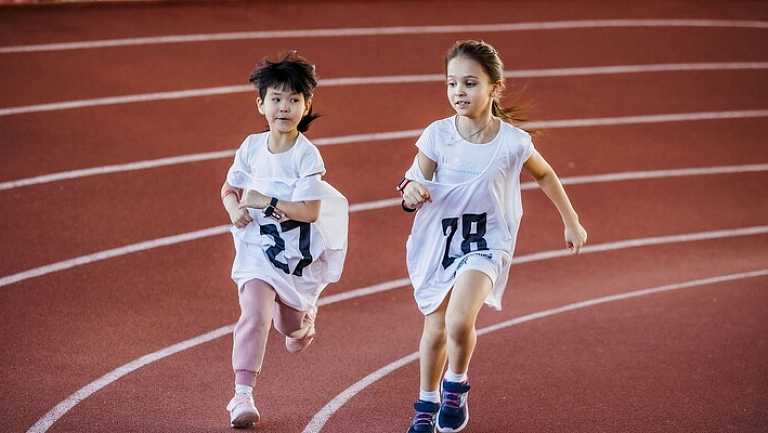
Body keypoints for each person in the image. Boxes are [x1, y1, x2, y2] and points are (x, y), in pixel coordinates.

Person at [398, 40, 587, 433]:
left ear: (494, 87)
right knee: (434, 330)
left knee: (457, 319)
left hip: (486, 245)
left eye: (469, 83)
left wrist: (571, 220)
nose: (458, 92)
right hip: (439, 242)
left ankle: (456, 384)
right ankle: (427, 402)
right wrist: (410, 192)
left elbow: (545, 174)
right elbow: (413, 180)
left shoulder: (513, 142)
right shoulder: (436, 134)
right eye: (452, 84)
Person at [220, 51, 348, 429]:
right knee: (255, 315)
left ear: (307, 105)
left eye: (294, 100)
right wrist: (234, 210)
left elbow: (310, 211)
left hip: (295, 259)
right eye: (276, 99)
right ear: (260, 104)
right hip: (257, 249)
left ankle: (303, 324)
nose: (284, 107)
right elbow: (230, 188)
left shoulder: (306, 157)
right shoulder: (250, 147)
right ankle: (242, 395)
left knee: (288, 328)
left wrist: (267, 201)